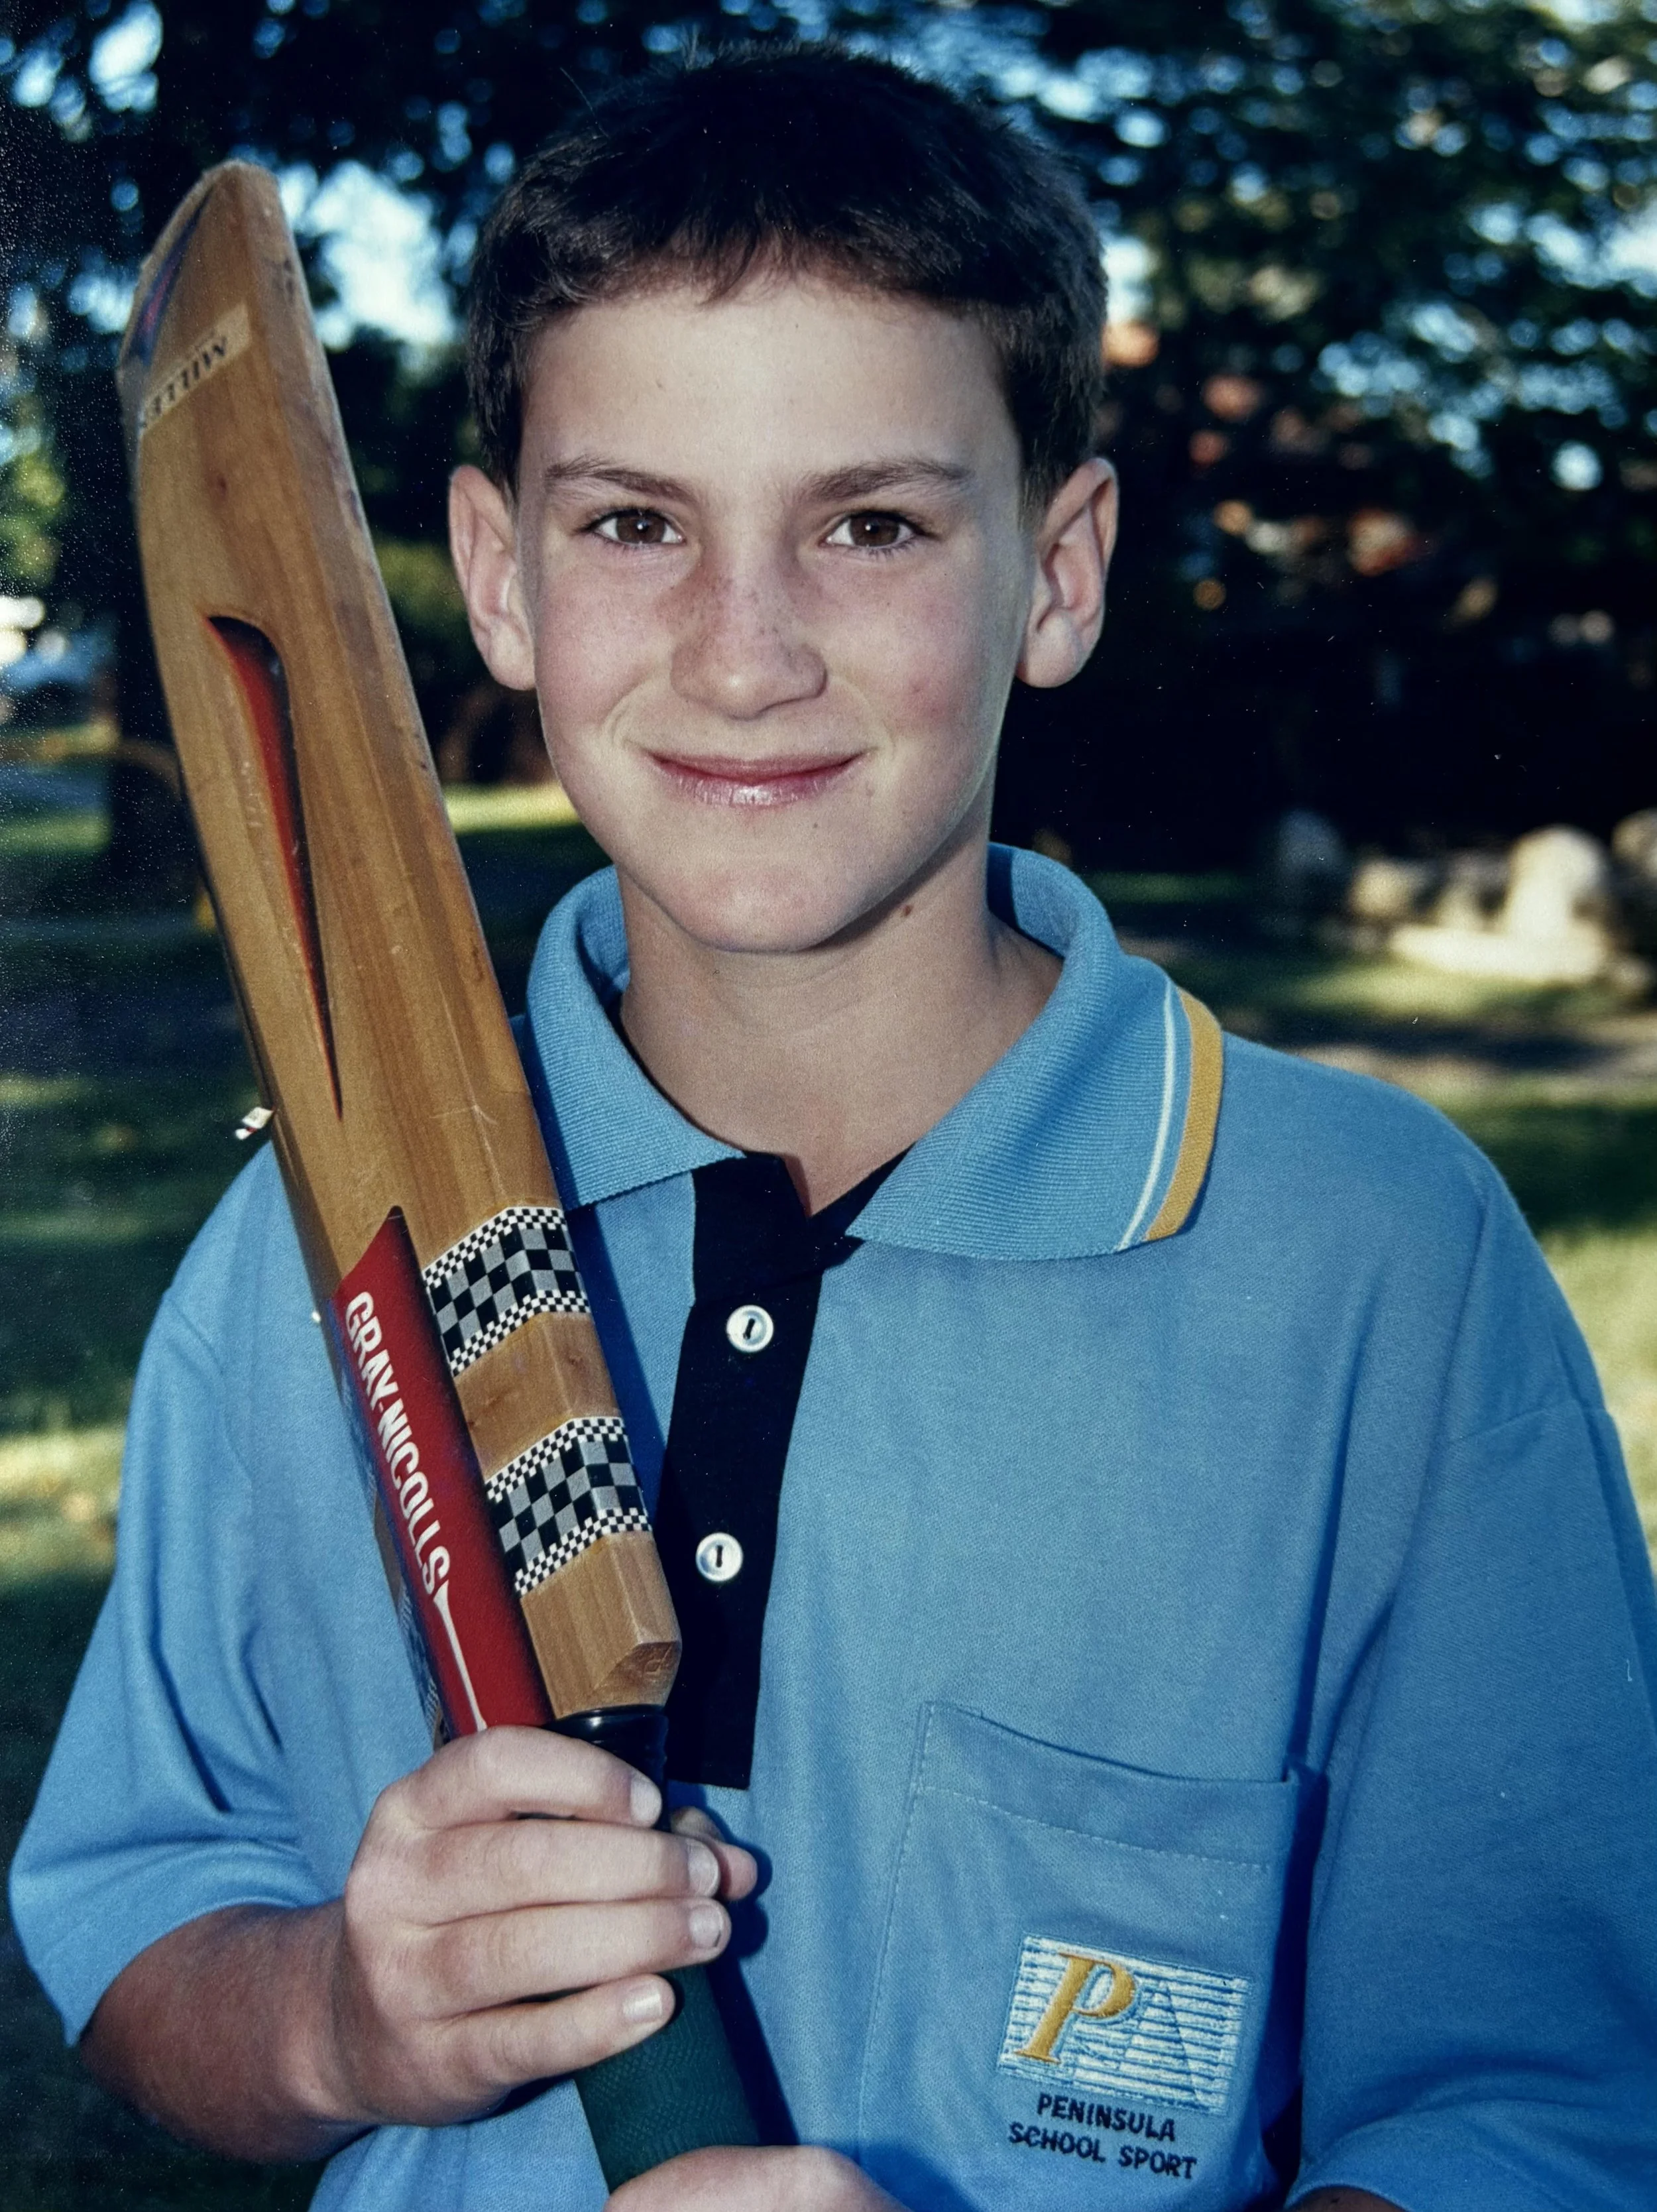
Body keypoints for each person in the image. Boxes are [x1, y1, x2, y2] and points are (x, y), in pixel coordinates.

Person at [11, 44, 1657, 2212]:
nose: (744, 650)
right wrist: (336, 2015)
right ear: (498, 577)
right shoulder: (306, 1251)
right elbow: (145, 1917)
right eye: (634, 526)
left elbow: (1532, 2109)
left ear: (1056, 574)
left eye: (869, 525)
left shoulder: (1366, 1264)